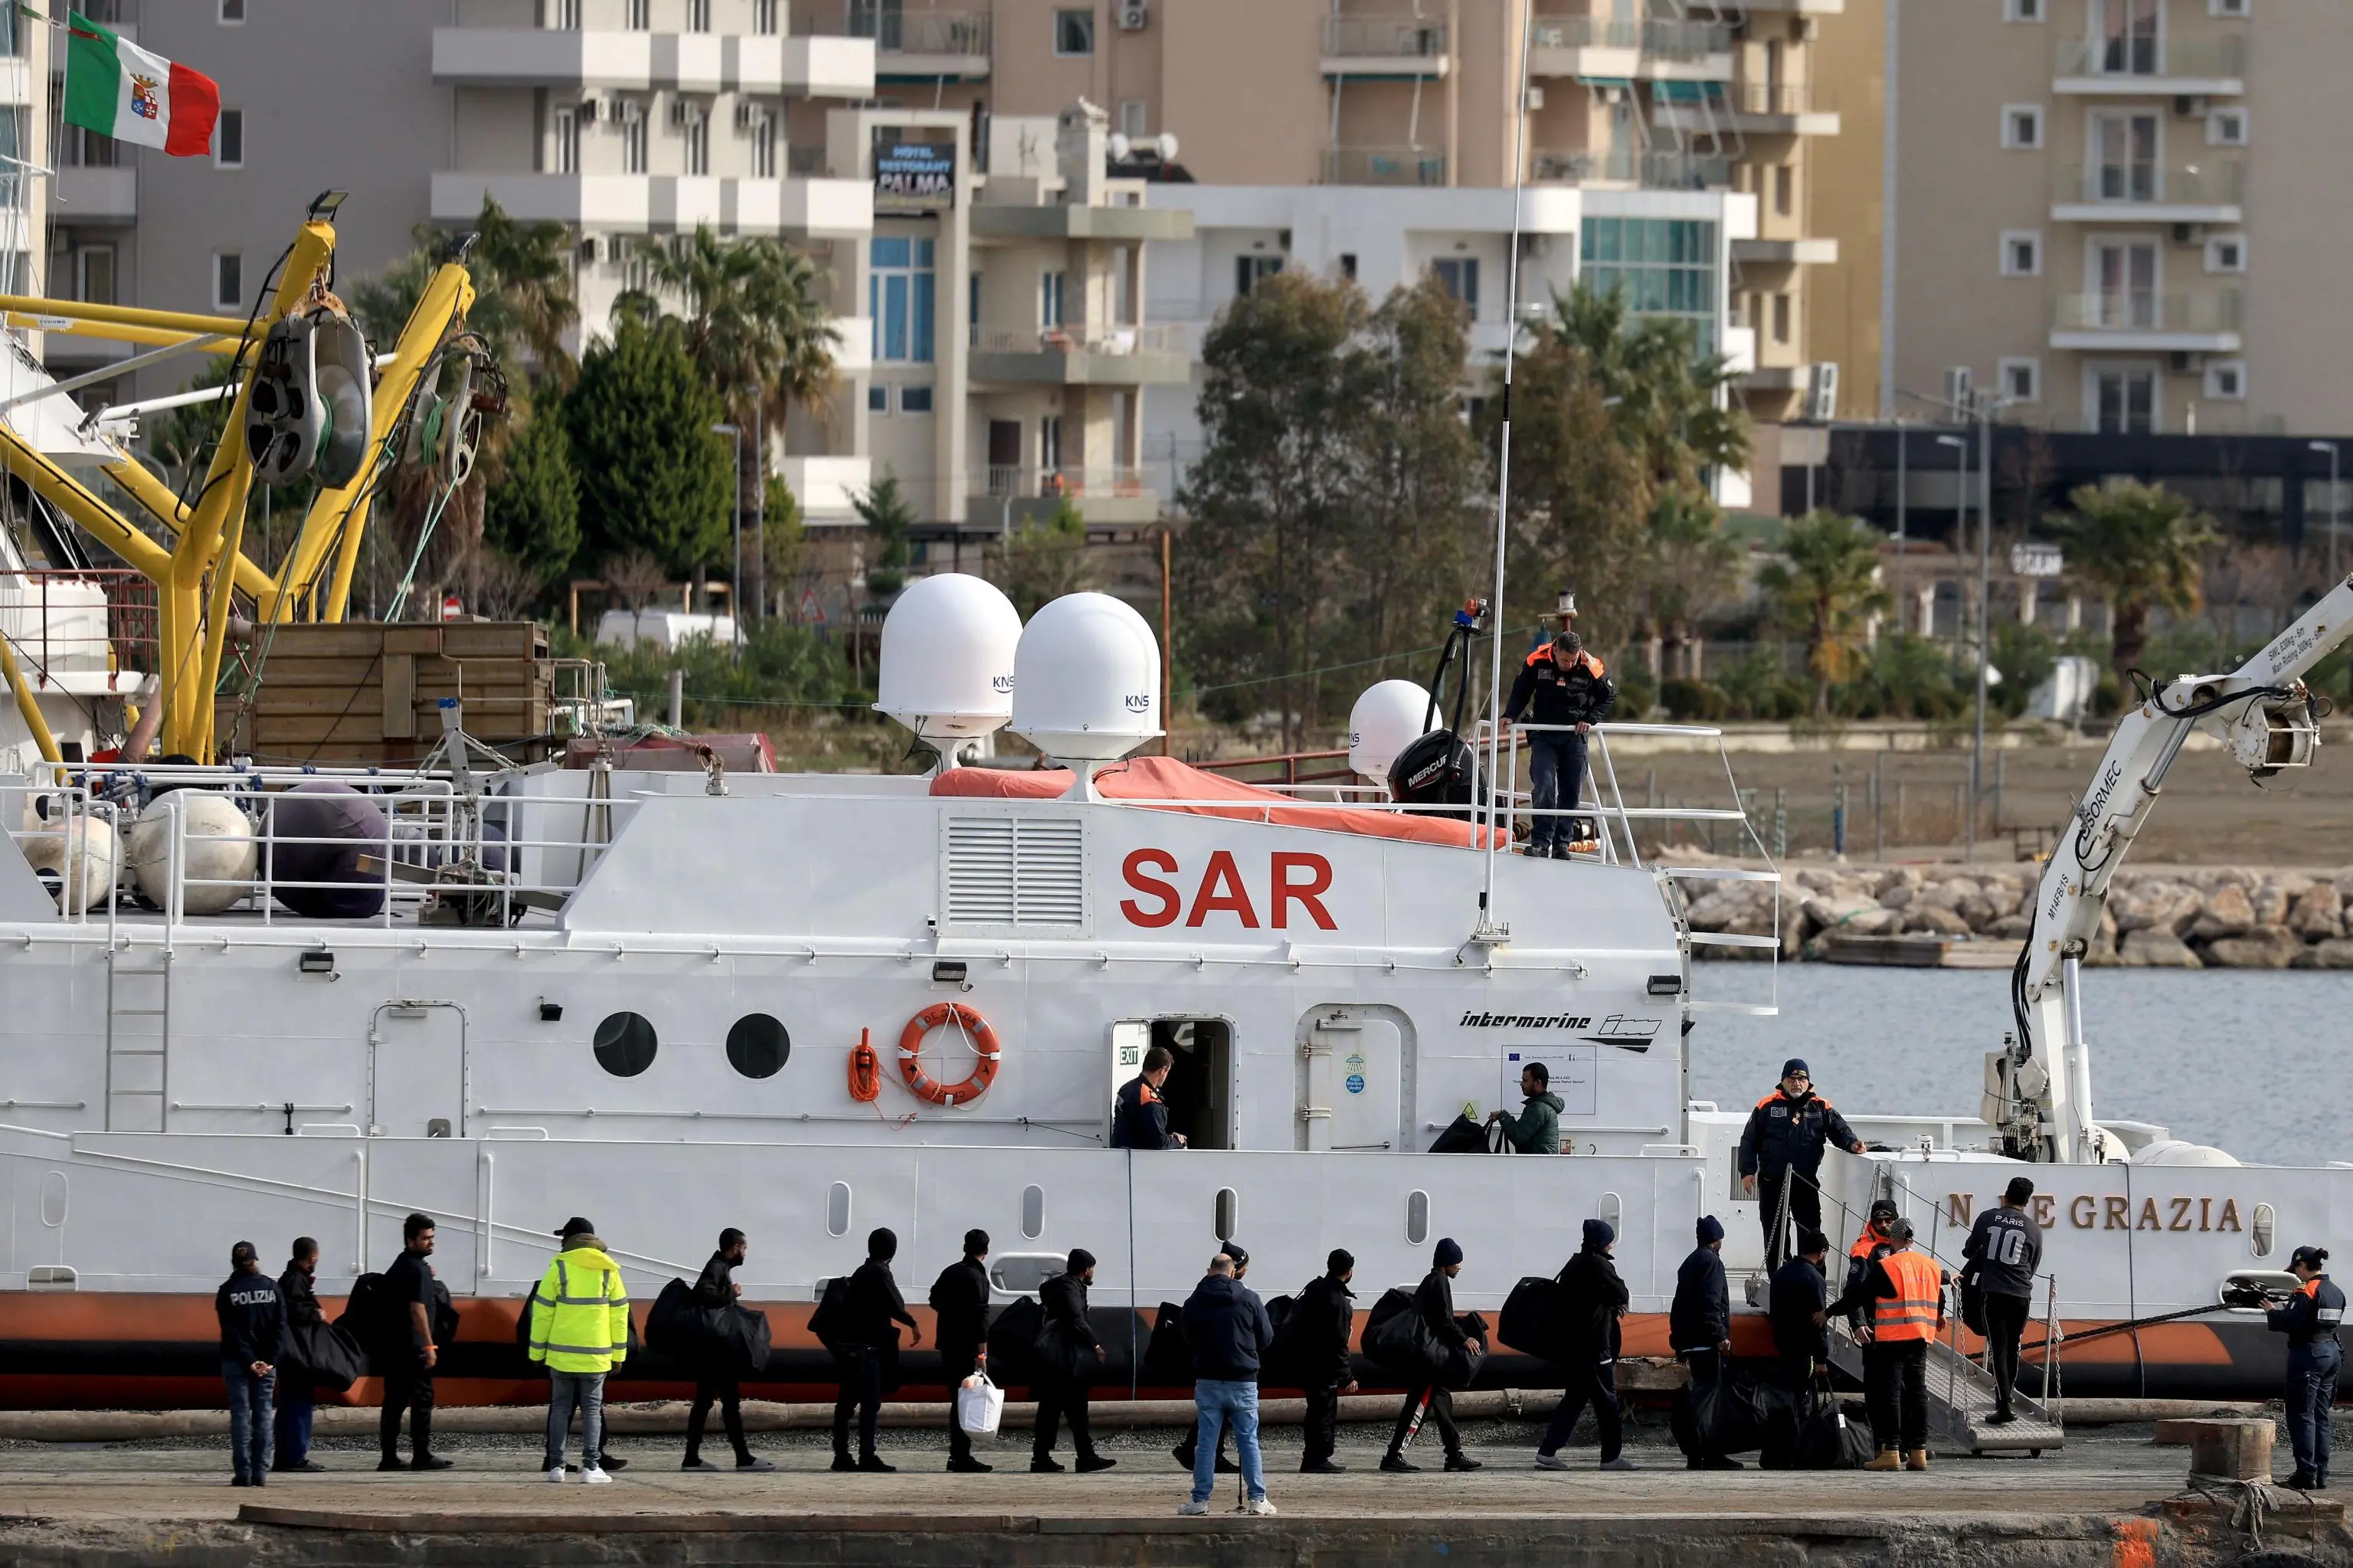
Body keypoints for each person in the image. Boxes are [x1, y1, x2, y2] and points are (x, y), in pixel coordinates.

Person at [1830, 1216, 1943, 1472]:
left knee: (1891, 1394)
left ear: (1893, 1240)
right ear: (1912, 1239)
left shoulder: (1887, 1265)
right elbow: (1941, 1295)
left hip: (1892, 1339)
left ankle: (1891, 1451)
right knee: (1918, 1393)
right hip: (1921, 1337)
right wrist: (1940, 1316)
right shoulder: (1930, 1265)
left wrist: (1829, 1312)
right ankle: (1918, 1452)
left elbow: (1858, 1295)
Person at [1176, 1252, 1278, 1517]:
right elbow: (1266, 1337)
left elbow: (1186, 1335)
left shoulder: (1196, 1299)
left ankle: (1199, 1501)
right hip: (1243, 1379)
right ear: (1233, 1272)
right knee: (1248, 1441)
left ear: (1210, 1271)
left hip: (1208, 1378)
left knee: (1206, 1442)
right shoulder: (1250, 1298)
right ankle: (1257, 1499)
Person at [1739, 1059, 1865, 1271]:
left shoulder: (1821, 1106)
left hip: (1805, 1182)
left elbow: (1839, 1130)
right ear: (1783, 1081)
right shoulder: (1766, 1106)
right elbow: (1749, 1140)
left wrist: (1853, 1144)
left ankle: (1813, 1278)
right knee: (1775, 1232)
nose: (1797, 1084)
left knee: (1810, 1232)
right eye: (1792, 1079)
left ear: (1808, 1082)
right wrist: (1747, 1171)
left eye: (1801, 1079)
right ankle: (1779, 1279)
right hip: (1772, 1182)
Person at [529, 1217, 630, 1485]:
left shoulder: (559, 1267)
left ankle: (556, 1468)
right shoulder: (609, 1270)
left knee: (560, 1408)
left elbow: (541, 1313)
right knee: (592, 1410)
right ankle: (591, 1468)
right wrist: (619, 1355)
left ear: (571, 1240)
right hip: (596, 1356)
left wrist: (537, 1352)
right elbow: (619, 1317)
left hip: (561, 1355)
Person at [1503, 628, 1616, 857]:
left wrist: (1590, 719)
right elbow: (1521, 690)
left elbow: (1608, 696)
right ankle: (1541, 842)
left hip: (1574, 737)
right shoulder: (1537, 659)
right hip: (1544, 734)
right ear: (1555, 651)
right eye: (1564, 659)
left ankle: (1561, 844)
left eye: (1573, 660)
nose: (1568, 664)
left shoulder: (1589, 664)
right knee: (1545, 786)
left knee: (1571, 790)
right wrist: (1510, 714)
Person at [1537, 1218, 1635, 1472]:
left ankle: (1548, 1451)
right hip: (1594, 1346)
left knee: (1575, 1398)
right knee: (1607, 1401)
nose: (1612, 1246)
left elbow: (1584, 1300)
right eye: (1610, 1241)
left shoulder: (1574, 1263)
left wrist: (1608, 1303)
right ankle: (1611, 1457)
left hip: (1574, 1345)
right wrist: (1615, 1301)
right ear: (1602, 1242)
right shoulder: (1599, 1265)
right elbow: (1622, 1293)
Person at [1382, 1238, 1482, 1474]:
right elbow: (1443, 1320)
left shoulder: (1432, 1280)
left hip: (1427, 1359)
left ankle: (1454, 1455)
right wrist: (1463, 1338)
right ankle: (1394, 1455)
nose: (1460, 1266)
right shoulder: (1439, 1282)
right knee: (1417, 1407)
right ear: (1447, 1263)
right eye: (1457, 1262)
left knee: (1443, 1404)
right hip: (1428, 1362)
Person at [833, 1226, 921, 1473]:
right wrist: (913, 1323)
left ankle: (841, 1455)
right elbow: (896, 1305)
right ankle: (867, 1456)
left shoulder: (861, 1271)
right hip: (868, 1349)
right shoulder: (880, 1273)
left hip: (849, 1347)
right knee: (870, 1404)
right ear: (891, 1251)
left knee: (846, 1403)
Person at [682, 1228, 771, 1472]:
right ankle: (741, 1457)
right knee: (728, 1403)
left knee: (705, 1403)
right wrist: (731, 1293)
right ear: (734, 1249)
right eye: (743, 1248)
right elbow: (704, 1294)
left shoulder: (720, 1266)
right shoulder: (717, 1267)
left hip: (713, 1351)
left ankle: (693, 1457)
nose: (745, 1253)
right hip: (717, 1352)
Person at [1962, 1177, 2044, 1425]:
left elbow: (1968, 1251)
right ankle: (2007, 1397)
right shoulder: (2033, 1228)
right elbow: (2031, 1266)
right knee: (2012, 1345)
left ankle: (2003, 1404)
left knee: (1998, 1345)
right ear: (2027, 1201)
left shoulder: (1988, 1218)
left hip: (1995, 1291)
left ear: (2006, 1194)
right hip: (2021, 1294)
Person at [1033, 1248, 1115, 1473]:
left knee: (1052, 1409)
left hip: (1055, 1361)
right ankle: (1083, 1457)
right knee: (1076, 1408)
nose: (1092, 1274)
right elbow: (1076, 1317)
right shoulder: (1071, 1288)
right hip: (1066, 1360)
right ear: (1085, 1270)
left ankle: (1043, 1457)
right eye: (1092, 1269)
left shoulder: (1061, 1285)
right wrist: (1096, 1344)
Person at [2268, 1245, 2342, 1490]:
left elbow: (2290, 1322)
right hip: (2331, 1353)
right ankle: (2321, 1474)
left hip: (2308, 1355)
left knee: (2301, 1415)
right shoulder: (2336, 1291)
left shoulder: (2306, 1290)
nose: (2296, 1274)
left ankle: (2305, 1473)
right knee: (2321, 1416)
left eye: (2296, 1268)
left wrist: (2271, 1311)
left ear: (2301, 1266)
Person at [1173, 1242, 1251, 1475]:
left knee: (1214, 1410)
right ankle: (1204, 1455)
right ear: (1234, 1269)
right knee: (1221, 1410)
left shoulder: (1203, 1291)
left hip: (1207, 1359)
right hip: (1226, 1359)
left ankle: (1198, 1452)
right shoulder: (1235, 1294)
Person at [381, 1213, 450, 1472]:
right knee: (422, 1399)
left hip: (394, 1345)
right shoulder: (418, 1269)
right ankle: (422, 1455)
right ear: (411, 1240)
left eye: (432, 1237)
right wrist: (429, 1345)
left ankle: (389, 1457)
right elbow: (417, 1308)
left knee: (394, 1402)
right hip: (413, 1346)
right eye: (425, 1238)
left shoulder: (400, 1265)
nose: (431, 1242)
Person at [1671, 1215, 1739, 1471]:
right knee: (1713, 1403)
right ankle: (1712, 1455)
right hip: (1706, 1343)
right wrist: (1720, 1336)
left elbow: (1679, 1306)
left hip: (1690, 1342)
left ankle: (1695, 1455)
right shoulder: (1711, 1262)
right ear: (1717, 1238)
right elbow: (1710, 1303)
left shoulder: (1689, 1262)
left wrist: (1678, 1342)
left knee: (1698, 1403)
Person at [215, 1240, 283, 1488]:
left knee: (241, 1416)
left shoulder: (227, 1291)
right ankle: (261, 1473)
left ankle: (243, 1473)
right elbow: (280, 1329)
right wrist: (269, 1361)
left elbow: (232, 1333)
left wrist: (250, 1361)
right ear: (254, 1260)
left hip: (236, 1362)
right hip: (266, 1365)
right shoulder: (272, 1289)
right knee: (264, 1415)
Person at [930, 1228, 994, 1474]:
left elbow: (934, 1300)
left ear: (965, 1247)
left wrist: (952, 1315)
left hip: (948, 1345)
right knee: (964, 1402)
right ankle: (960, 1456)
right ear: (985, 1251)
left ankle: (958, 1455)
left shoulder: (951, 1271)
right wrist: (982, 1354)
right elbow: (981, 1317)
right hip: (967, 1349)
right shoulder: (978, 1277)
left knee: (956, 1400)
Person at [1292, 1249, 1360, 1474]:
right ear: (1349, 1272)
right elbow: (1339, 1343)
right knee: (1324, 1414)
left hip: (1307, 1363)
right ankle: (1317, 1458)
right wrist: (1348, 1376)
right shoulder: (1337, 1301)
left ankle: (1311, 1456)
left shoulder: (1314, 1290)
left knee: (1314, 1413)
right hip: (1325, 1368)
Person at [270, 1237, 325, 1475]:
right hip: (298, 1353)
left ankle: (285, 1455)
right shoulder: (296, 1280)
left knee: (289, 1403)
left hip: (288, 1352)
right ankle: (295, 1457)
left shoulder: (290, 1278)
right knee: (299, 1404)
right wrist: (317, 1314)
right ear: (312, 1257)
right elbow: (293, 1311)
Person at [1769, 1228, 1832, 1398]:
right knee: (1802, 1397)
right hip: (1803, 1349)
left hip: (1781, 1344)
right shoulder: (1815, 1279)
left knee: (1784, 1395)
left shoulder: (1780, 1273)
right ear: (1821, 1253)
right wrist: (1821, 1359)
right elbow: (1819, 1320)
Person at [1110, 1044, 1187, 1150]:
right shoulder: (1148, 1098)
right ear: (1162, 1070)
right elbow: (1158, 1142)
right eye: (1167, 1072)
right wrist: (1178, 1142)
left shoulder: (1126, 1088)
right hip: (1137, 1159)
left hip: (1119, 1153)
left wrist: (1169, 1137)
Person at [1485, 1062, 1564, 1155]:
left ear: (1538, 1083)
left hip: (1537, 1165)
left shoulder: (1538, 1108)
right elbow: (1522, 1131)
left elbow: (1518, 1137)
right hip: (1543, 1163)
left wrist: (1502, 1116)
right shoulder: (1543, 1106)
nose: (1521, 1084)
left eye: (1525, 1081)